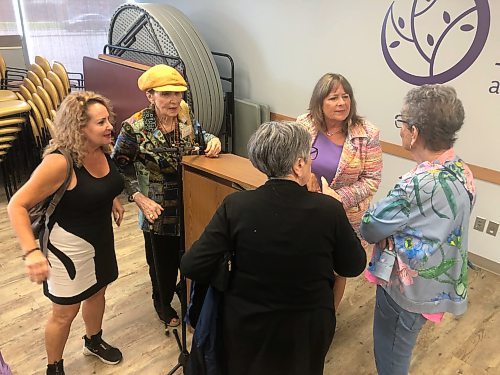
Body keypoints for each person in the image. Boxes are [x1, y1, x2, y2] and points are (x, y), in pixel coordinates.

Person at [181, 121, 367, 375]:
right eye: (309, 155)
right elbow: (353, 265)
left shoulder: (236, 205)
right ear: (298, 165)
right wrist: (335, 204)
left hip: (245, 322)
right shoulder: (328, 210)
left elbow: (192, 264)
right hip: (306, 326)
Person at [360, 84, 475, 375]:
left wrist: (387, 229)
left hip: (407, 291)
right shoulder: (461, 170)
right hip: (435, 282)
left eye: (402, 122)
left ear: (414, 133)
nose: (399, 129)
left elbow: (370, 227)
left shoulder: (418, 184)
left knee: (391, 358)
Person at [7, 91, 125, 375]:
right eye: (101, 122)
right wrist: (32, 252)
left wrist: (111, 197)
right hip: (68, 247)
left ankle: (93, 340)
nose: (110, 126)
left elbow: (100, 182)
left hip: (100, 238)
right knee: (64, 313)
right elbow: (17, 205)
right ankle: (54, 366)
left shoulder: (101, 149)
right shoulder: (59, 162)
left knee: (98, 291)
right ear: (79, 128)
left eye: (108, 119)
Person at [112, 64, 221, 328]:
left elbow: (198, 135)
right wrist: (138, 196)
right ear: (150, 96)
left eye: (178, 93)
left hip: (190, 199)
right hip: (156, 206)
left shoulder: (184, 114)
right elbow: (119, 165)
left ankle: (185, 293)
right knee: (162, 262)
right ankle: (162, 302)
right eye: (166, 94)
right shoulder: (135, 126)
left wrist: (211, 139)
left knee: (189, 253)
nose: (174, 100)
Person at [296, 73, 383, 310]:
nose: (342, 103)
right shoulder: (304, 124)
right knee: (307, 262)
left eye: (346, 97)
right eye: (334, 97)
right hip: (306, 210)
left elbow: (372, 178)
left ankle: (328, 315)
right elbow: (292, 161)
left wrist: (338, 198)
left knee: (337, 268)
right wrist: (308, 176)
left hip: (344, 215)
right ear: (320, 102)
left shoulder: (367, 133)